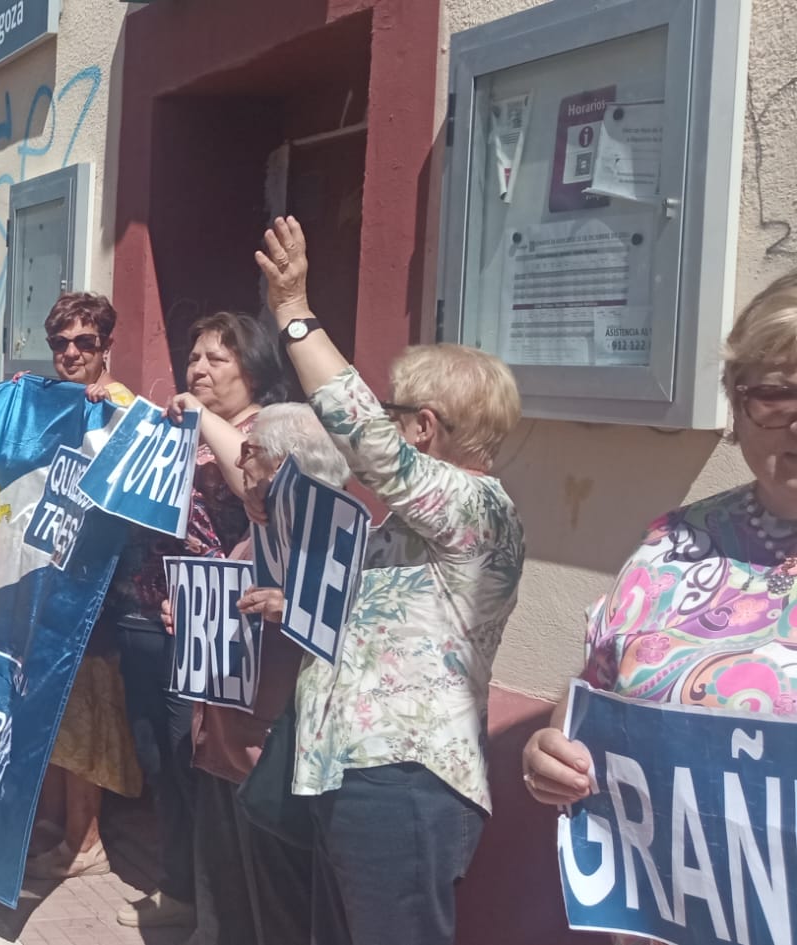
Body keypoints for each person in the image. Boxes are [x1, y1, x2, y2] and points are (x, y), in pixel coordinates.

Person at [257, 216, 526, 945]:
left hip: (403, 781)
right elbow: (386, 625)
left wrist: (294, 315)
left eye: (394, 410)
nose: (384, 420)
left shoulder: (480, 509)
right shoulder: (407, 531)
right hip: (348, 771)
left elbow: (364, 442)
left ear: (423, 427)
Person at [521, 271, 797, 945]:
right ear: (738, 403)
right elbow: (596, 691)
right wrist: (551, 754)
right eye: (776, 393)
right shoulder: (672, 543)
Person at [110, 309, 292, 929]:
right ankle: (183, 887)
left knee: (204, 766)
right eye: (195, 357)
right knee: (162, 754)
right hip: (162, 610)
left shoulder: (271, 427)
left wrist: (200, 418)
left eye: (219, 357)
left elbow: (256, 492)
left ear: (255, 368)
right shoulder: (183, 425)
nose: (201, 368)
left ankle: (207, 905)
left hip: (228, 631)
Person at [161, 401, 341, 945]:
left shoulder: (325, 535)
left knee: (275, 912)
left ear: (289, 465)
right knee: (226, 902)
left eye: (253, 450)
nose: (241, 460)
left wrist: (294, 608)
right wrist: (189, 615)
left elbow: (343, 628)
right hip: (221, 742)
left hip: (266, 758)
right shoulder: (261, 526)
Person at [13, 293, 145, 879]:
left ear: (106, 346)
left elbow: (147, 455)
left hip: (102, 587)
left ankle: (85, 840)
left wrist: (113, 405)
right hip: (48, 577)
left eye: (84, 342)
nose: (71, 353)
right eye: (61, 343)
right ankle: (54, 822)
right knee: (54, 709)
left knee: (88, 715)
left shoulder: (124, 406)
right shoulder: (56, 400)